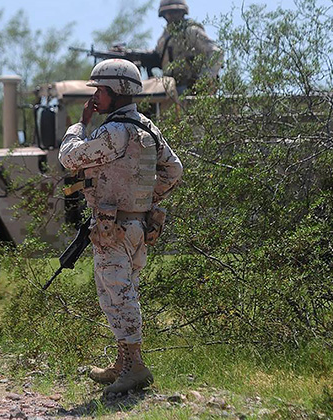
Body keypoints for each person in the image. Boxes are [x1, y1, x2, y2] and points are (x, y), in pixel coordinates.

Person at [58, 59, 183, 395]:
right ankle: (123, 363)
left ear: (117, 91)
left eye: (99, 90)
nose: (95, 97)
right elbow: (174, 171)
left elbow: (70, 159)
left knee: (118, 295)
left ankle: (135, 368)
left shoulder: (114, 131)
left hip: (115, 230)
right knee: (118, 294)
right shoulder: (148, 128)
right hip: (137, 226)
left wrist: (78, 127)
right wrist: (143, 199)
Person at [154, 0, 223, 93]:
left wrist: (204, 80)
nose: (170, 16)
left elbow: (216, 53)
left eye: (174, 12)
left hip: (193, 90)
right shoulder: (164, 39)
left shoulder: (191, 31)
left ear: (182, 12)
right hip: (171, 92)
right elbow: (158, 59)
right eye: (167, 13)